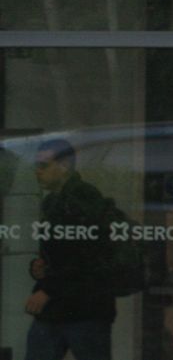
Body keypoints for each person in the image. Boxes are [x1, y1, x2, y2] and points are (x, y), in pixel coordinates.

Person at [25, 137, 116, 360]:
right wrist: (39, 267)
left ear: (64, 166)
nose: (37, 171)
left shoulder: (84, 199)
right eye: (36, 165)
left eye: (43, 165)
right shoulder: (54, 202)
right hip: (63, 309)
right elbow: (61, 253)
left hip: (84, 309)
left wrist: (48, 289)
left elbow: (89, 257)